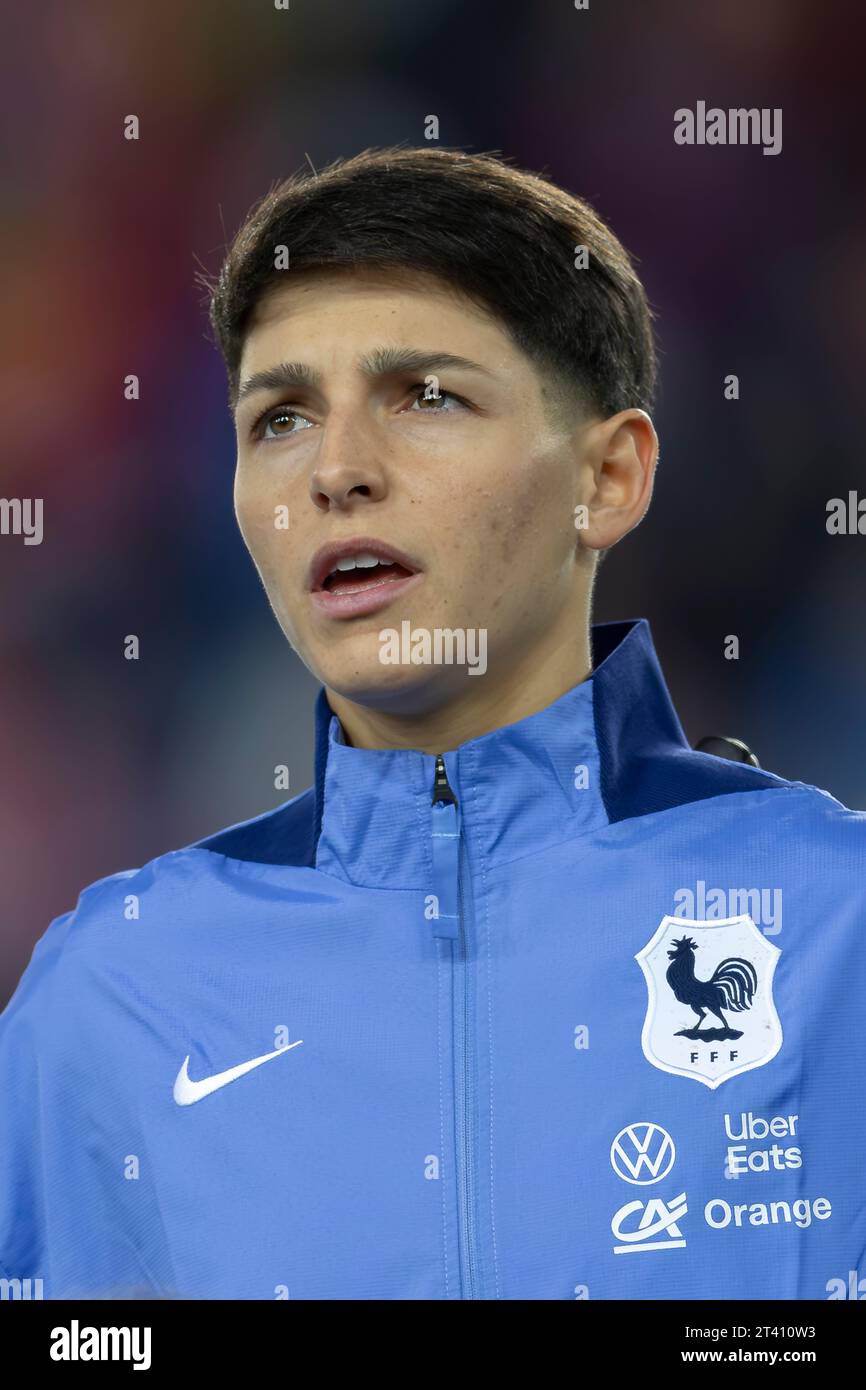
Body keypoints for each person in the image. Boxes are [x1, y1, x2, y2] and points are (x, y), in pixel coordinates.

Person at [1, 147, 863, 1302]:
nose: (336, 470)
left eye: (427, 396)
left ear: (606, 478)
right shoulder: (110, 992)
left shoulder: (837, 927)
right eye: (281, 418)